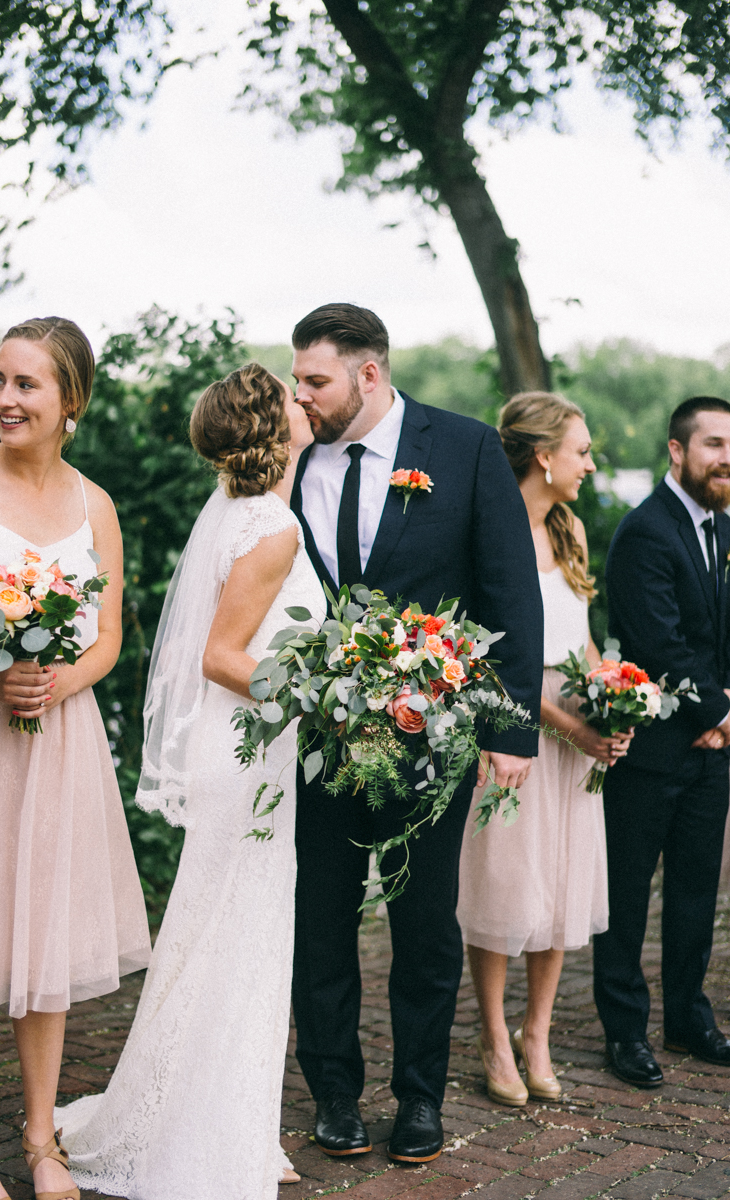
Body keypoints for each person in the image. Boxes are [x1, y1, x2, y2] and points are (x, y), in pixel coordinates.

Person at [54, 363, 324, 1199]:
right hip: (247, 762)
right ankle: (209, 1131)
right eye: (291, 394)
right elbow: (221, 657)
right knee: (239, 940)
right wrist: (324, 697)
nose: (305, 400)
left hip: (246, 755)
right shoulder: (270, 526)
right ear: (271, 428)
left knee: (222, 940)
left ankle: (223, 1115)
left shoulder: (244, 516)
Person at [289, 303, 543, 1164]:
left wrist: (510, 730)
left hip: (429, 736)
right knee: (319, 917)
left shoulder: (464, 447)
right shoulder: (291, 458)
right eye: (297, 379)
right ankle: (333, 1093)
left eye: (315, 380)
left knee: (425, 924)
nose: (302, 396)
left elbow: (511, 590)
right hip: (317, 737)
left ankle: (420, 1097)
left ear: (369, 373)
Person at [0, 317, 151, 1200]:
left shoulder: (95, 505)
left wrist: (59, 682)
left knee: (43, 937)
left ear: (72, 403)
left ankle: (41, 1138)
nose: (5, 400)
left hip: (56, 742)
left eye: (27, 385)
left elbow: (108, 639)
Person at [457, 392, 631, 1106]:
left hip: (574, 730)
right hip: (514, 724)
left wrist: (616, 694)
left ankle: (539, 1033)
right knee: (505, 881)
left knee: (561, 880)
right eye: (582, 451)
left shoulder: (572, 532)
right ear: (542, 456)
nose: (590, 464)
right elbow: (490, 661)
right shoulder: (484, 534)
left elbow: (578, 636)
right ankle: (494, 1036)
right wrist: (568, 724)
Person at [594, 395, 730, 1087]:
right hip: (649, 752)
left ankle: (688, 1016)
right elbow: (657, 640)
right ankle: (624, 1032)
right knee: (625, 897)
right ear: (677, 451)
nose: (726, 458)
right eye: (712, 444)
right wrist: (716, 712)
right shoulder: (646, 531)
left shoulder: (725, 531)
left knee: (695, 891)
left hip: (713, 754)